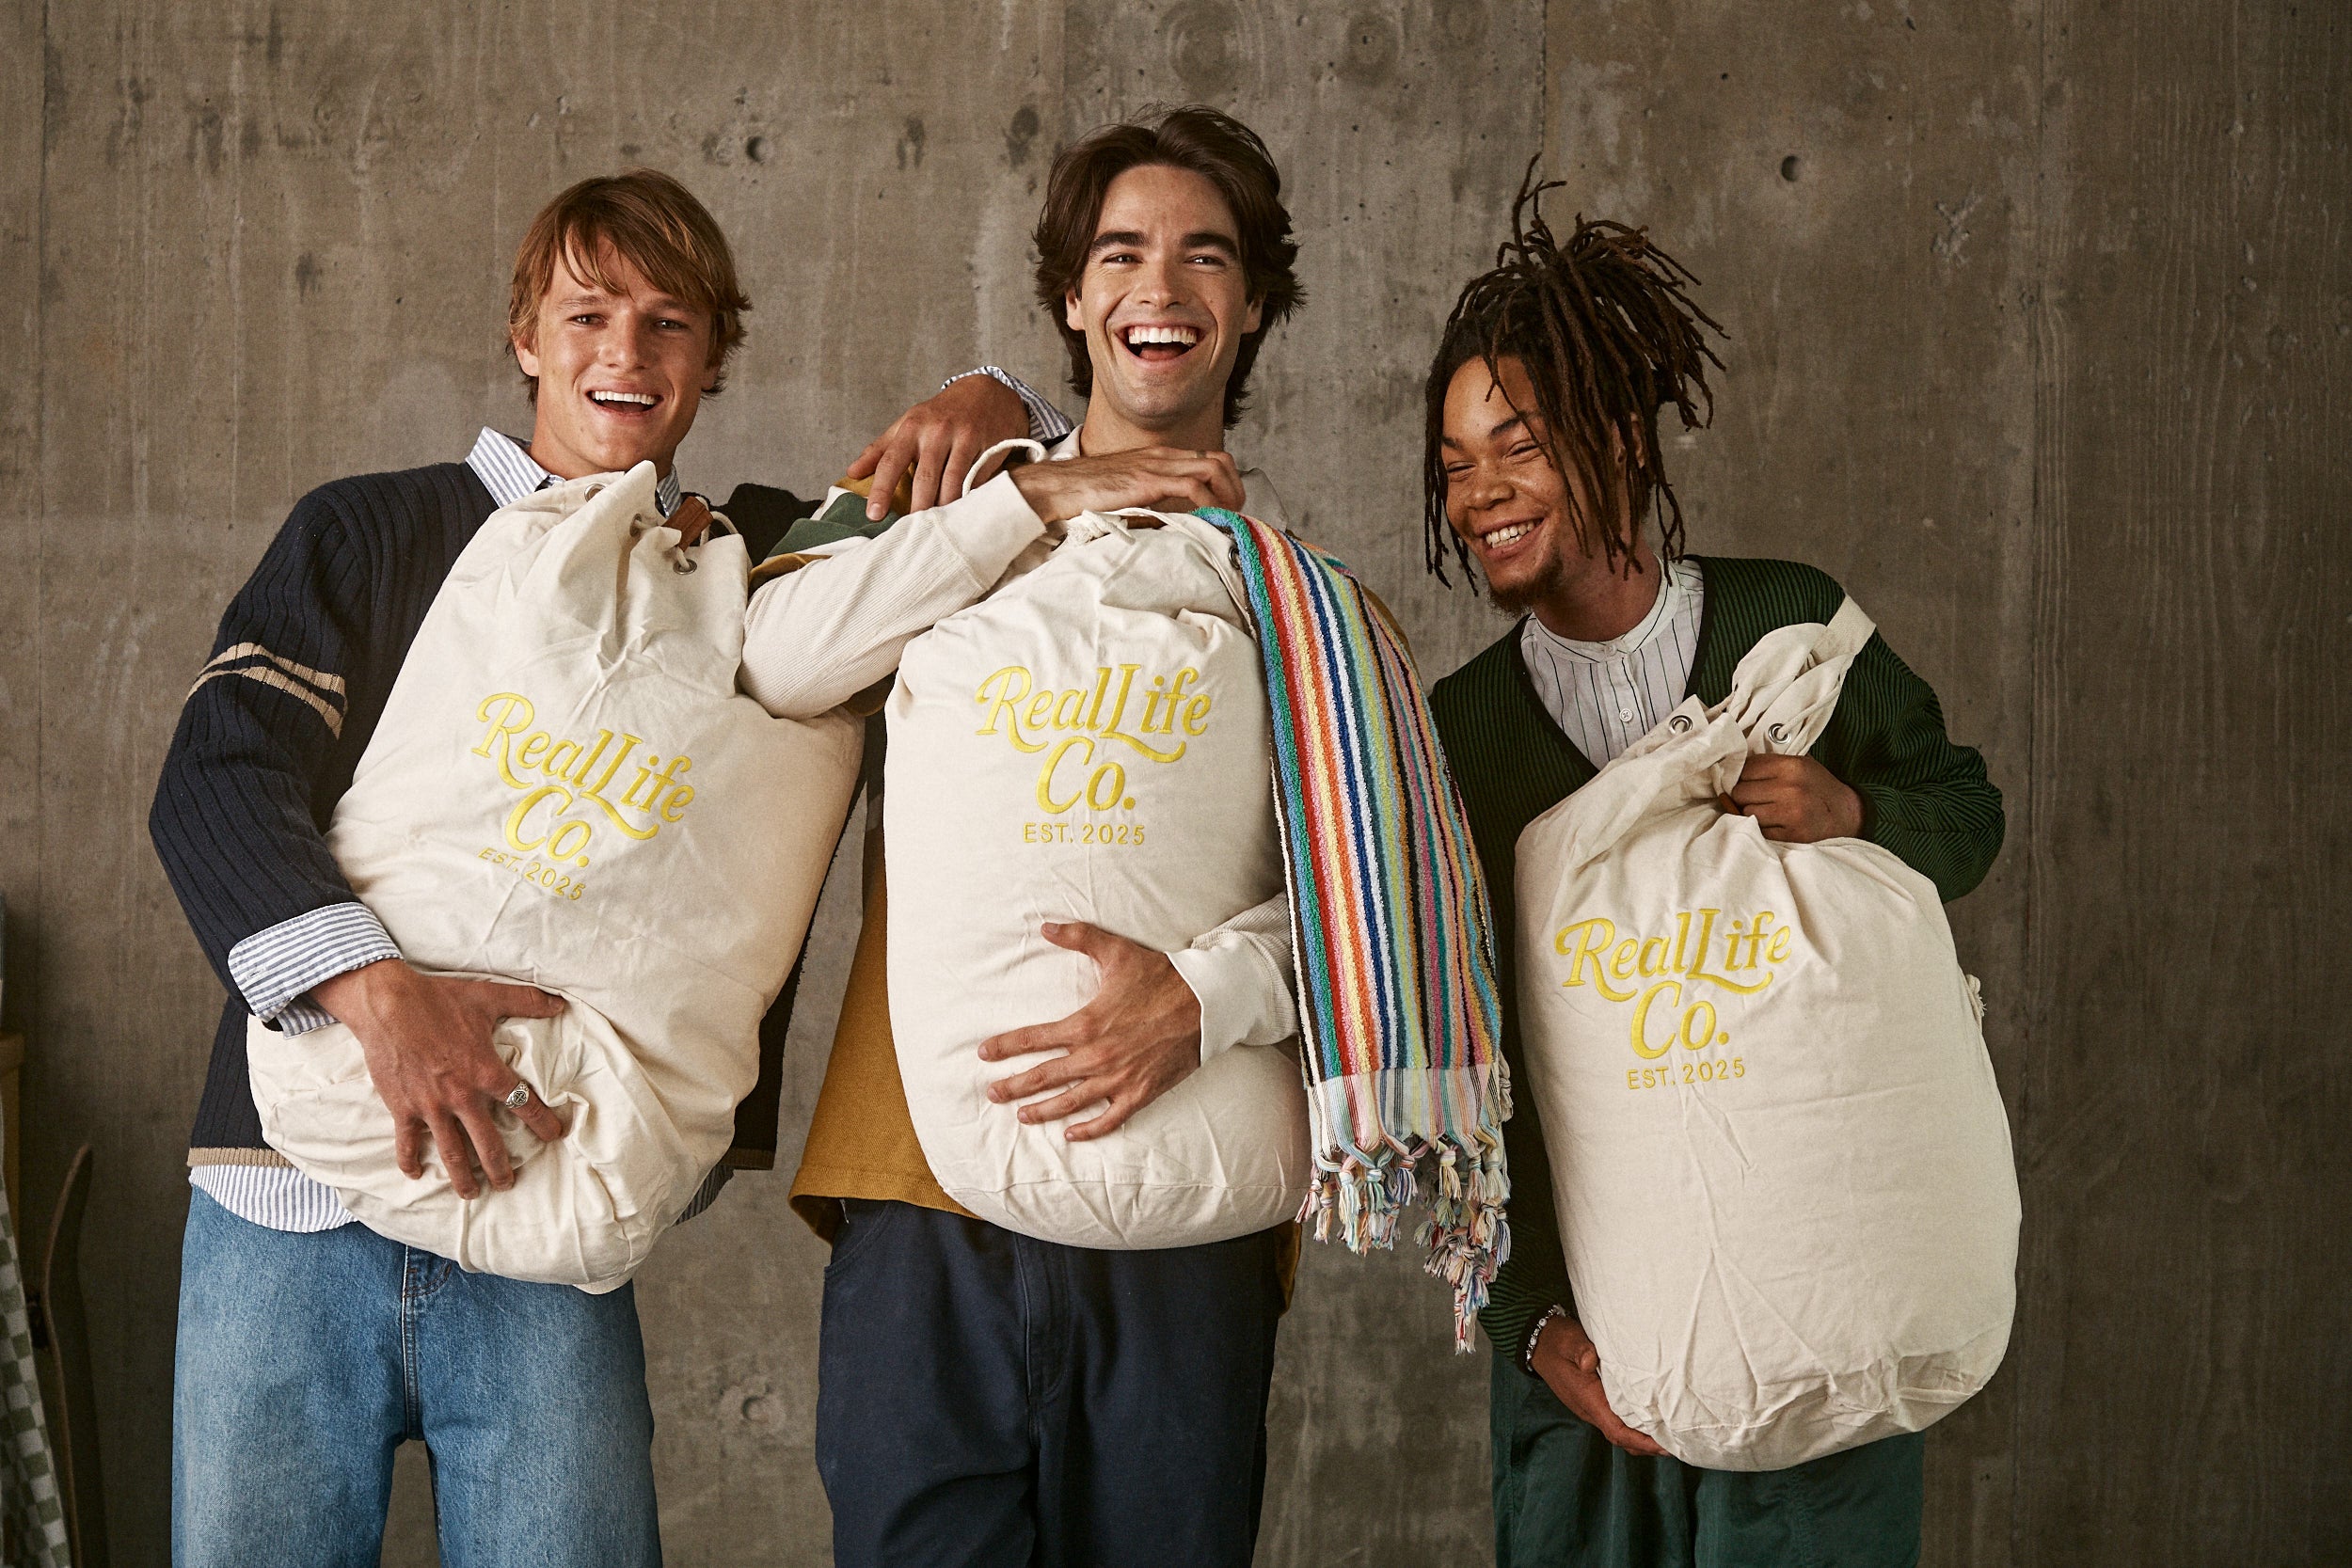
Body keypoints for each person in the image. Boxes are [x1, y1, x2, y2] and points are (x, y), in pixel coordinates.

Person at [150, 166, 1089, 1567]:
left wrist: (997, 397)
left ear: (713, 357)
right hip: (286, 1204)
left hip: (555, 1197)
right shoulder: (371, 532)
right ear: (524, 336)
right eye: (587, 315)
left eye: (669, 323)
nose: (626, 354)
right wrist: (382, 1002)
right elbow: (219, 775)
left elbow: (999, 528)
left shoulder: (754, 563)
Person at [1422, 182, 2006, 1566]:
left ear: (1621, 437)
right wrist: (1526, 1322)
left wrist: (1856, 810)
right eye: (1453, 463)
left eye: (1517, 444)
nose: (1478, 491)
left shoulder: (1786, 628)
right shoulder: (1463, 731)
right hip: (1593, 1351)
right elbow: (1443, 1052)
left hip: (1820, 1312)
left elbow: (1967, 815)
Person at [778, 105, 1311, 1568]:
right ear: (1072, 299)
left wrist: (1207, 994)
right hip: (921, 1182)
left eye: (1208, 257)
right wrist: (1029, 491)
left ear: (1252, 306)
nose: (1162, 287)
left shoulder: (1306, 607)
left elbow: (1384, 895)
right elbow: (781, 657)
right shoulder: (945, 491)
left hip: (1185, 1203)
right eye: (1120, 254)